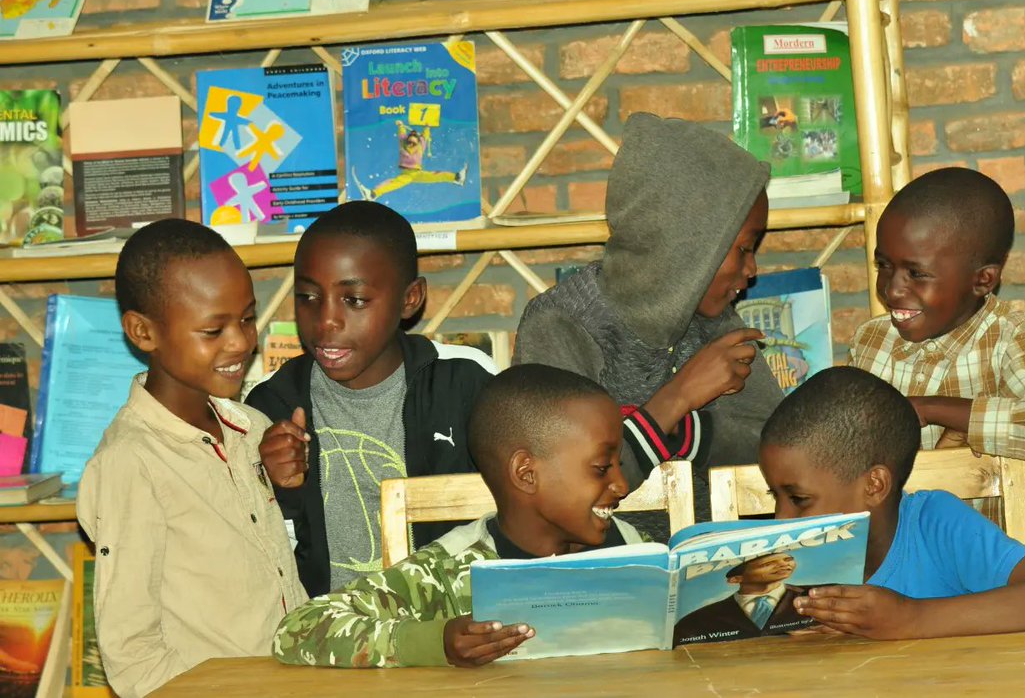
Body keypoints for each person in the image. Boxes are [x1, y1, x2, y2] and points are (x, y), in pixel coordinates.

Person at [272, 364, 642, 668]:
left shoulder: (630, 548)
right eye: (601, 467)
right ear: (526, 474)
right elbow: (299, 631)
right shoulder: (446, 572)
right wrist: (438, 642)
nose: (622, 484)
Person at [77, 219, 305, 698]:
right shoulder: (130, 463)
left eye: (246, 318)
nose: (241, 342)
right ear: (143, 332)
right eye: (212, 329)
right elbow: (132, 652)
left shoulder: (250, 429)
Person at [514, 112, 782, 516]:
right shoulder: (560, 326)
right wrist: (676, 400)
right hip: (604, 572)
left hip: (719, 565)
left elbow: (782, 451)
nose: (752, 270)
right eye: (744, 248)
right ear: (687, 246)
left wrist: (690, 435)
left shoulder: (717, 322)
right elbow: (563, 487)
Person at [247, 201, 496, 597]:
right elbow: (261, 555)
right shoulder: (272, 404)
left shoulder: (463, 382)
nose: (326, 320)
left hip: (453, 620)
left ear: (410, 299)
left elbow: (519, 505)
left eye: (355, 300)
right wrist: (281, 489)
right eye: (309, 297)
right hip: (328, 633)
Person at [759, 366, 1025, 639]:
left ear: (874, 485)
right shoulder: (786, 562)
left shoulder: (934, 524)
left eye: (799, 499)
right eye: (776, 496)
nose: (780, 518)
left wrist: (910, 619)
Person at [851, 167, 1025, 544]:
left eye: (917, 273)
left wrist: (928, 409)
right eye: (885, 265)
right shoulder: (872, 342)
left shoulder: (1010, 338)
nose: (893, 289)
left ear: (983, 280)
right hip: (892, 570)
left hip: (987, 584)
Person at [672, 552, 813, 645]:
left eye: (788, 559)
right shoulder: (698, 620)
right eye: (767, 564)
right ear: (735, 579)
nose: (784, 564)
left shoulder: (818, 596)